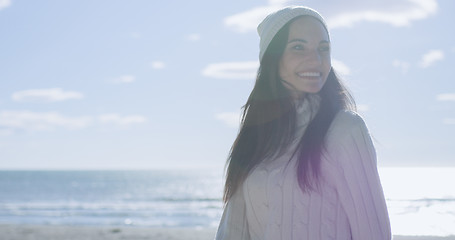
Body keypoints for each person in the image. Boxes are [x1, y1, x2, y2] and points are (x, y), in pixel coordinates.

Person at [215, 6, 391, 240]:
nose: (315, 60)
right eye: (298, 47)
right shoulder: (256, 139)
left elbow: (374, 233)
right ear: (273, 58)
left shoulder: (345, 130)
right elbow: (232, 231)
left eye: (323, 48)